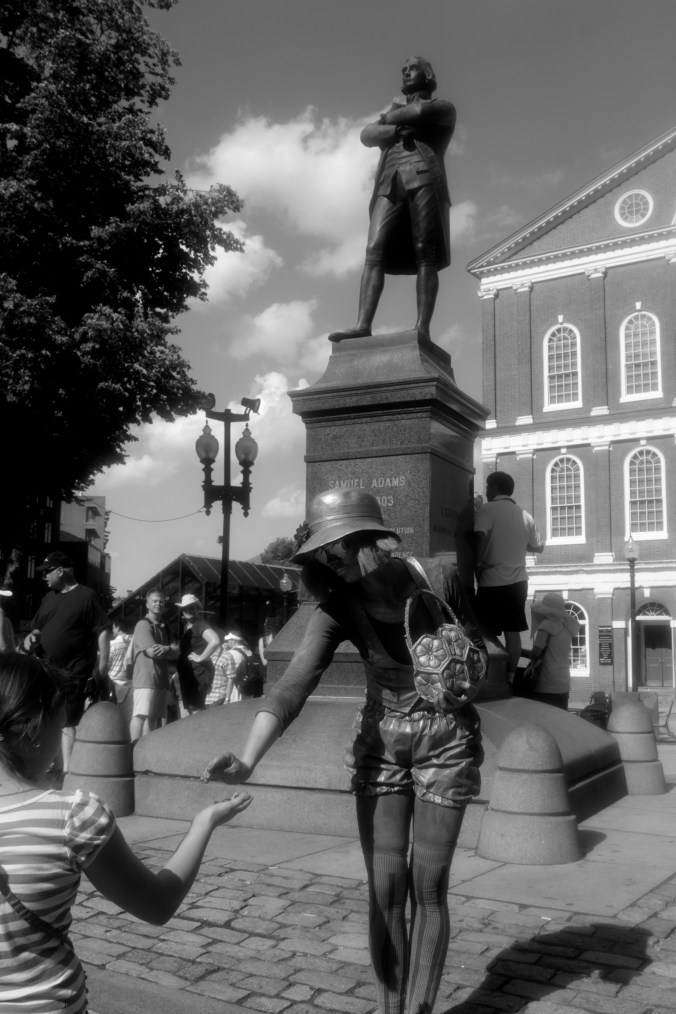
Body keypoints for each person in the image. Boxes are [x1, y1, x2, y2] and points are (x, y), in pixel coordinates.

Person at [203, 488, 486, 1014]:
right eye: (321, 554)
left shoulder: (440, 577)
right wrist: (246, 761)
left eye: (337, 548)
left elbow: (481, 645)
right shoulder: (336, 607)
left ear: (367, 541)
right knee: (385, 887)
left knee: (428, 888)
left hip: (445, 738)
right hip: (382, 740)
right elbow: (291, 687)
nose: (329, 561)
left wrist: (460, 666)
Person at [0, 651, 251, 1014]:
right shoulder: (73, 816)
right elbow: (158, 904)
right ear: (34, 727)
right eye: (61, 722)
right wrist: (203, 823)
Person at [329, 57, 456, 345]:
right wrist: (396, 128)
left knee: (426, 252)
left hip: (424, 178)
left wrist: (390, 117)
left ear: (428, 74)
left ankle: (421, 327)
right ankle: (362, 324)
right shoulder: (399, 118)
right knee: (374, 249)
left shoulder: (443, 108)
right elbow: (366, 134)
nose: (407, 71)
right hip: (389, 184)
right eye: (404, 69)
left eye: (413, 67)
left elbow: (422, 109)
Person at [23, 551, 111, 773]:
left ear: (60, 571)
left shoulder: (87, 596)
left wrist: (103, 666)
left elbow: (102, 632)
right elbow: (37, 628)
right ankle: (49, 765)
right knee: (45, 717)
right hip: (47, 669)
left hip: (74, 671)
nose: (45, 577)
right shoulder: (49, 598)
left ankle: (68, 773)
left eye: (47, 572)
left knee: (68, 722)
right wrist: (30, 637)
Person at [474, 472, 545, 686]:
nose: (486, 490)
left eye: (488, 486)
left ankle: (486, 675)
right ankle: (510, 678)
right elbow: (538, 546)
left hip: (492, 581)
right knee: (513, 634)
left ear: (495, 487)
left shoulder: (488, 509)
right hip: (518, 583)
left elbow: (480, 535)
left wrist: (477, 564)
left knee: (483, 631)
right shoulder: (525, 516)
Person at [129, 590, 178, 743]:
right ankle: (134, 749)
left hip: (161, 679)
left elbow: (177, 651)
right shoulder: (143, 625)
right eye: (155, 601)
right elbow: (152, 652)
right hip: (146, 679)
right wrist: (169, 649)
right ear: (147, 604)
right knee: (140, 715)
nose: (158, 604)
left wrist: (167, 649)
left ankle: (146, 752)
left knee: (154, 718)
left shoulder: (165, 627)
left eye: (161, 601)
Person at [522, 592, 580, 710]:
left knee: (545, 722)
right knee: (559, 723)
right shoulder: (567, 627)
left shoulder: (546, 626)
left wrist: (520, 652)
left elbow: (536, 653)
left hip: (546, 684)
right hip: (564, 684)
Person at [175, 594, 221, 711]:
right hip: (191, 673)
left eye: (192, 607)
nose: (188, 610)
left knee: (196, 709)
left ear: (197, 609)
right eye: (185, 608)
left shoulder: (200, 624)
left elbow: (215, 641)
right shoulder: (187, 626)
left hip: (198, 672)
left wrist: (201, 657)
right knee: (190, 708)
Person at [206, 631, 251, 706]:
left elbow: (227, 671)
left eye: (228, 640)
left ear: (234, 641)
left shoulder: (231, 653)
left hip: (233, 689)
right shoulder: (248, 651)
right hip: (244, 687)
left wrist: (222, 651)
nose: (227, 642)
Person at [108, 620, 133, 725]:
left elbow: (106, 664)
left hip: (114, 685)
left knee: (113, 722)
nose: (112, 630)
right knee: (127, 721)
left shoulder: (112, 644)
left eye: (113, 627)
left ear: (117, 627)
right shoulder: (133, 642)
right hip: (130, 685)